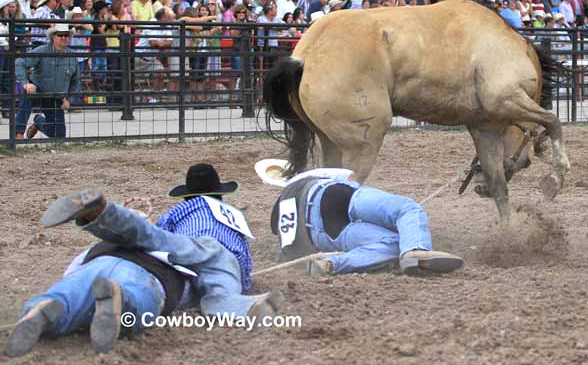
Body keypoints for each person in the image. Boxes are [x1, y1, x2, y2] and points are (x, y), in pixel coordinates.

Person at [5, 164, 283, 357]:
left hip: (104, 254)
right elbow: (232, 276)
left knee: (73, 289)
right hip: (168, 269)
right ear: (222, 194)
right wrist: (243, 295)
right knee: (151, 295)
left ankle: (46, 306)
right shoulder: (228, 223)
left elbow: (150, 234)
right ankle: (123, 301)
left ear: (186, 194)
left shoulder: (179, 210)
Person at [261, 164, 464, 276]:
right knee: (407, 209)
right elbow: (350, 177)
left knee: (396, 244)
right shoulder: (306, 177)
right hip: (332, 198)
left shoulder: (286, 204)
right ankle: (416, 249)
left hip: (315, 237)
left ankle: (330, 264)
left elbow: (290, 249)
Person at [15, 24, 81, 139]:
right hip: (37, 89)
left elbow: (76, 80)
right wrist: (26, 83)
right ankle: (18, 133)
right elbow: (20, 62)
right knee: (27, 98)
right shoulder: (42, 50)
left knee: (59, 135)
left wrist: (69, 99)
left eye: (66, 35)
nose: (63, 37)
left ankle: (38, 122)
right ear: (53, 37)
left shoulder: (72, 56)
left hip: (56, 96)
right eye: (60, 35)